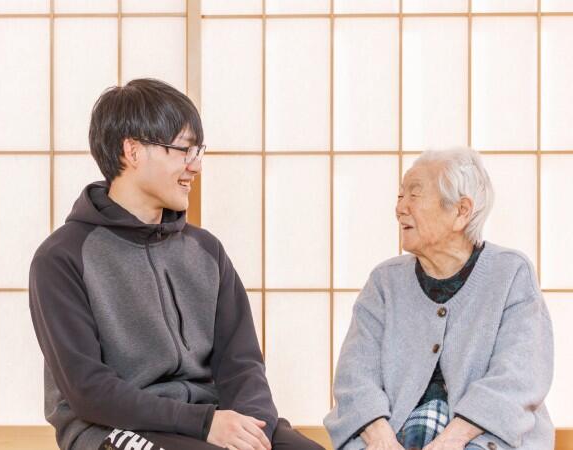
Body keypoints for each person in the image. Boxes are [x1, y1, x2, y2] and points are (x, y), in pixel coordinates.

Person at [29, 78, 324, 450]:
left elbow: (242, 364)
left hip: (212, 418)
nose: (195, 166)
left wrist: (255, 431)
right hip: (112, 427)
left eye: (198, 152)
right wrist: (204, 425)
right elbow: (89, 391)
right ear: (133, 151)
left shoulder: (207, 251)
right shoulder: (62, 258)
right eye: (184, 150)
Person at [324, 148, 554, 450]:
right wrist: (381, 439)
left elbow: (518, 378)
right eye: (400, 196)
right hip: (393, 434)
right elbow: (354, 376)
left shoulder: (510, 273)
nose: (400, 208)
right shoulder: (384, 281)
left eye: (414, 195)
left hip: (482, 437)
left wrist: (451, 439)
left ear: (461, 211)